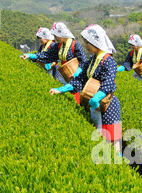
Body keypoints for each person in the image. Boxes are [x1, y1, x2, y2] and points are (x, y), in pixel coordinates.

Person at [49, 24, 122, 156]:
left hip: (107, 104)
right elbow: (81, 79)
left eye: (88, 42)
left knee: (112, 139)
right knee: (99, 136)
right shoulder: (92, 60)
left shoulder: (108, 60)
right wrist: (62, 89)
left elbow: (109, 81)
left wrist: (98, 97)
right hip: (93, 102)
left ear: (96, 41)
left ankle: (118, 163)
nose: (86, 45)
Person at [21, 22, 88, 103]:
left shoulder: (75, 45)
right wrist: (31, 56)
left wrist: (77, 73)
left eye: (56, 35)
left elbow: (83, 61)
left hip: (74, 77)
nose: (55, 38)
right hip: (63, 74)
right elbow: (47, 55)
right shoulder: (58, 46)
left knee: (74, 98)